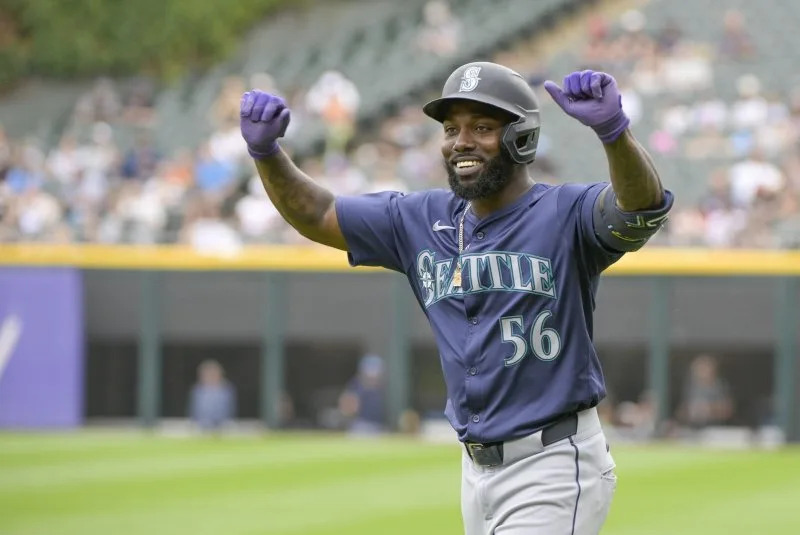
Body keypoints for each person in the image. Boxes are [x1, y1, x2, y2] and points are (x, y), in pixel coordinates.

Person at [240, 62, 673, 535]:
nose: (461, 141)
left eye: (482, 127)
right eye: (451, 129)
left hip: (552, 463)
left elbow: (640, 207)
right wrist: (267, 153)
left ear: (520, 138)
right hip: (475, 470)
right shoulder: (419, 219)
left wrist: (613, 132)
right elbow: (319, 212)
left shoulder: (564, 212)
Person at [338, 354, 388, 435]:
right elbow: (346, 408)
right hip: (360, 426)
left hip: (377, 426)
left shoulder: (380, 387)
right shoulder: (356, 385)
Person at [188, 359, 237, 432]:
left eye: (213, 373)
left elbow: (230, 408)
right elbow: (194, 409)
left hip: (223, 425)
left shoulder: (227, 389)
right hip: (202, 424)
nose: (211, 375)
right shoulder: (197, 390)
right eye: (208, 374)